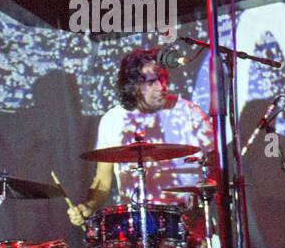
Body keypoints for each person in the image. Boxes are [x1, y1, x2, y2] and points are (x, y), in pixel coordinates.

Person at [67, 48, 214, 226]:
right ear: (134, 87)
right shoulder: (112, 120)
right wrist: (88, 207)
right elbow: (102, 180)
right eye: (152, 82)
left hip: (188, 222)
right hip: (137, 223)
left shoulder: (189, 112)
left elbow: (215, 166)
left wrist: (204, 197)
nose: (162, 87)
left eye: (162, 78)